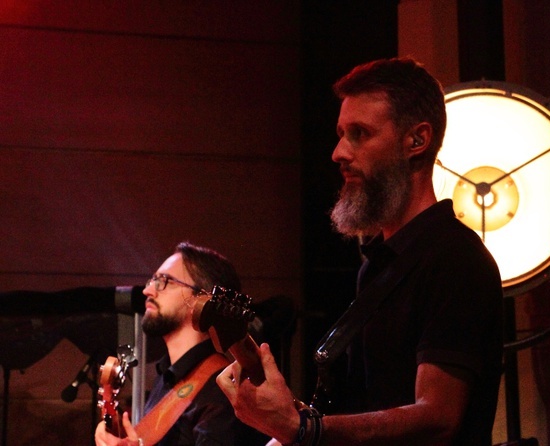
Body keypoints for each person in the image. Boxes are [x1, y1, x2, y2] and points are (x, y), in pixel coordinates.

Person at [217, 57, 504, 445]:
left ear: (416, 140)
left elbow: (438, 417)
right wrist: (286, 420)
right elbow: (367, 410)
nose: (338, 152)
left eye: (360, 134)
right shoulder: (377, 268)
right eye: (340, 133)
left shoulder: (455, 258)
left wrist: (304, 430)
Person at [95, 241, 269, 446]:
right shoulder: (165, 377)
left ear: (200, 299)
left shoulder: (221, 393)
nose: (148, 291)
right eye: (152, 280)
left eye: (164, 281)